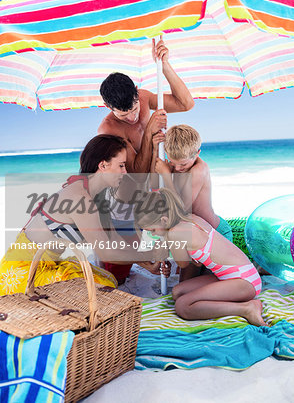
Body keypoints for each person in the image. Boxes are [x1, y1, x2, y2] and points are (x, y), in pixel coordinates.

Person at [0, 135, 162, 295]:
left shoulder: (95, 194)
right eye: (121, 165)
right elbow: (107, 252)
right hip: (23, 271)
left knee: (107, 279)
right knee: (102, 286)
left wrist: (146, 261)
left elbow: (112, 238)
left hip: (46, 264)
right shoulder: (81, 198)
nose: (125, 172)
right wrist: (147, 255)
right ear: (103, 165)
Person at [97, 37, 194, 281]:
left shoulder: (143, 97)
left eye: (133, 108)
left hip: (152, 180)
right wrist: (150, 130)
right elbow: (137, 175)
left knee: (170, 227)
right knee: (116, 272)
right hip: (125, 194)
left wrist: (165, 66)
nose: (131, 117)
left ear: (136, 94)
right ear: (108, 106)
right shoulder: (109, 130)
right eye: (123, 113)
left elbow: (186, 103)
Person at [134, 188, 267, 327]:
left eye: (153, 230)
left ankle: (247, 309)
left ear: (164, 220)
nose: (154, 235)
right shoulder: (190, 219)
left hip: (244, 282)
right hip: (236, 275)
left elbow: (183, 264)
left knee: (183, 306)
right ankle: (231, 301)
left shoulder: (174, 233)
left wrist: (164, 248)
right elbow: (196, 262)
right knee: (177, 292)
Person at [154, 124, 233, 281]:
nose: (177, 167)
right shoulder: (177, 162)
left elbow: (181, 209)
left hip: (214, 234)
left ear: (197, 153)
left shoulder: (199, 170)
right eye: (172, 161)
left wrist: (167, 175)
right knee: (184, 283)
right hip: (191, 233)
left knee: (210, 282)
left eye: (183, 164)